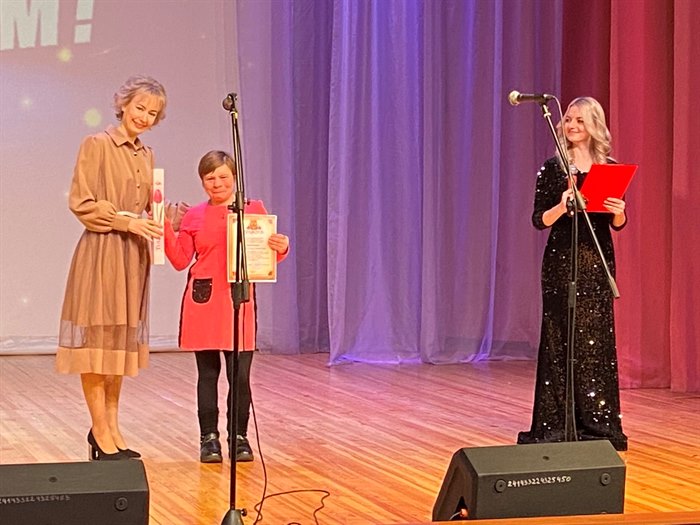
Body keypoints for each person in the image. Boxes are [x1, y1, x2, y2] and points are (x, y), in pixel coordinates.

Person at [56, 75, 167, 460]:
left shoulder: (147, 154)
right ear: (123, 105)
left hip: (133, 257)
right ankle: (100, 430)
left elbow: (149, 206)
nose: (144, 117)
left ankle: (112, 428)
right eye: (140, 108)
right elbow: (82, 203)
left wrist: (167, 216)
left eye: (152, 113)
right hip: (103, 251)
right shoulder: (97, 144)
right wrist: (125, 222)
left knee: (119, 345)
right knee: (97, 345)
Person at [517, 97, 628, 452]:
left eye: (579, 120)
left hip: (597, 260)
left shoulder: (609, 168)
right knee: (560, 337)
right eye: (567, 119)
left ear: (594, 125)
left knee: (596, 341)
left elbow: (616, 224)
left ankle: (597, 422)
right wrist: (563, 205)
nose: (571, 125)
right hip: (562, 261)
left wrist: (619, 211)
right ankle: (557, 422)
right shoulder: (553, 169)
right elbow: (539, 220)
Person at [164, 150, 290, 463]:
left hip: (239, 302)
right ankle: (209, 439)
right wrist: (165, 226)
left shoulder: (253, 210)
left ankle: (239, 437)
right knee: (208, 375)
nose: (217, 183)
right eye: (210, 178)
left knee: (240, 376)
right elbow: (180, 260)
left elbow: (264, 256)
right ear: (202, 182)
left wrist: (282, 247)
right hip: (203, 302)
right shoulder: (194, 215)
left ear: (235, 178)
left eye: (223, 177)